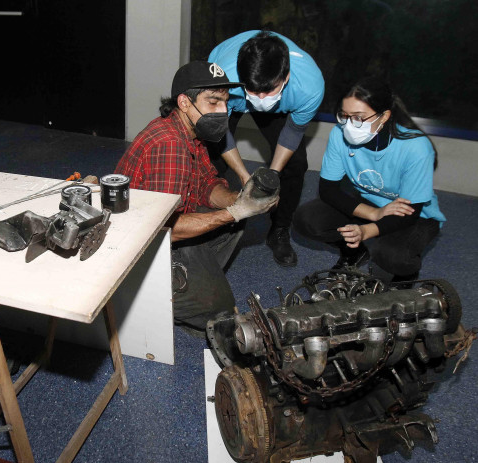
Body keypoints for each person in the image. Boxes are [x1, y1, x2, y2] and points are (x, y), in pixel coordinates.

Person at [114, 61, 278, 335]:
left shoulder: (191, 133)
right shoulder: (169, 145)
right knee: (221, 311)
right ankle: (164, 292)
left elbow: (205, 184)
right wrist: (234, 212)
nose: (222, 111)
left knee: (235, 221)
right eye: (213, 102)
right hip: (138, 247)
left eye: (225, 103)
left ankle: (196, 281)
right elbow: (162, 229)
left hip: (168, 226)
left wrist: (239, 200)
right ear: (184, 102)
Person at [293, 76, 445, 282]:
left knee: (392, 256)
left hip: (413, 214)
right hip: (371, 204)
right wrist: (374, 213)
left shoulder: (416, 147)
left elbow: (410, 213)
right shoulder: (339, 135)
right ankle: (354, 252)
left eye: (358, 117)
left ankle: (405, 278)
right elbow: (328, 190)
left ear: (384, 116)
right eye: (344, 115)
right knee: (307, 220)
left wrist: (366, 231)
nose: (348, 125)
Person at [208, 30, 325, 267]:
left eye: (268, 90)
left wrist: (270, 178)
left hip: (281, 104)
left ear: (286, 77)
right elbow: (220, 132)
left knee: (295, 165)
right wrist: (244, 176)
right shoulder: (223, 80)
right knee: (212, 161)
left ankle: (279, 230)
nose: (261, 98)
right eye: (254, 91)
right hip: (232, 96)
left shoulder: (310, 86)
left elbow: (292, 132)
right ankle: (212, 223)